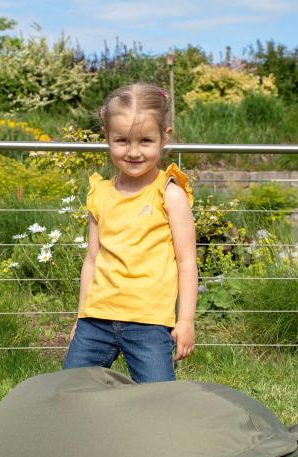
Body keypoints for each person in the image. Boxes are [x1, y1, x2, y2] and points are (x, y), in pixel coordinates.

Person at [63, 83, 198, 383]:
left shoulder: (169, 194)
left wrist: (186, 320)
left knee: (158, 399)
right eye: (122, 140)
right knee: (72, 390)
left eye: (146, 141)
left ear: (165, 137)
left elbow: (187, 262)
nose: (133, 152)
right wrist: (80, 316)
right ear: (107, 137)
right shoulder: (100, 194)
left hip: (149, 323)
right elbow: (92, 260)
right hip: (96, 320)